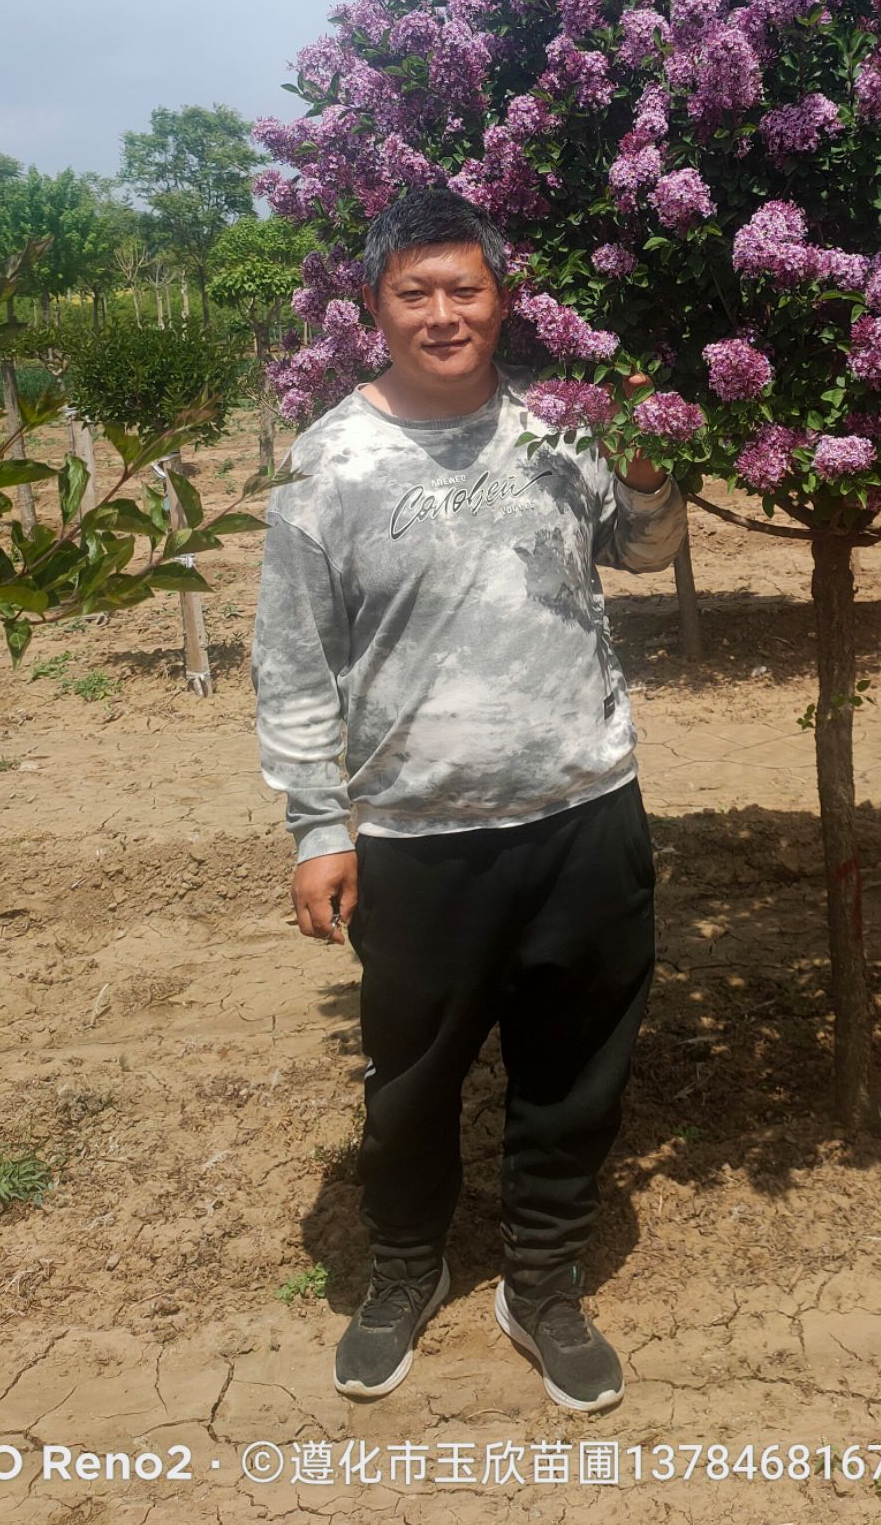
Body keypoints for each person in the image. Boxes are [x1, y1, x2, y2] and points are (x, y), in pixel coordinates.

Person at [252, 186, 685, 1413]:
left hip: (582, 806)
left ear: (501, 300)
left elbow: (643, 551)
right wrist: (316, 829)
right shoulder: (329, 462)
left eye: (467, 289)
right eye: (415, 293)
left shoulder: (560, 426)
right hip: (417, 832)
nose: (444, 314)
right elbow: (292, 663)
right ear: (375, 311)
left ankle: (541, 1278)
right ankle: (404, 1268)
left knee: (576, 1068)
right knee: (411, 1081)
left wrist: (649, 467)